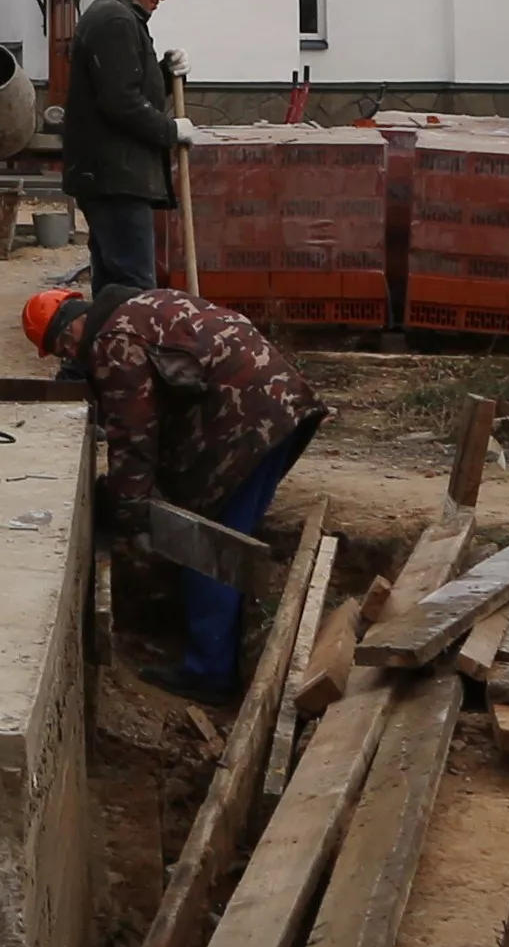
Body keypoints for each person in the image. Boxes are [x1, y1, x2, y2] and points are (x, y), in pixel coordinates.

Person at [30, 281, 323, 695]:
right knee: (233, 538)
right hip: (280, 406)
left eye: (62, 346)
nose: (69, 357)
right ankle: (230, 647)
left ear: (72, 326)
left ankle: (209, 673)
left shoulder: (113, 342)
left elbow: (133, 436)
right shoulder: (144, 304)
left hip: (244, 427)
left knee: (206, 547)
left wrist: (126, 513)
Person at [64, 0, 184, 302]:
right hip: (115, 179)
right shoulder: (114, 20)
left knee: (115, 287)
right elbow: (119, 101)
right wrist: (170, 131)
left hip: (112, 176)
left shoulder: (121, 17)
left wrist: (165, 73)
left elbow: (127, 86)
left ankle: (104, 357)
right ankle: (126, 355)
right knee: (132, 289)